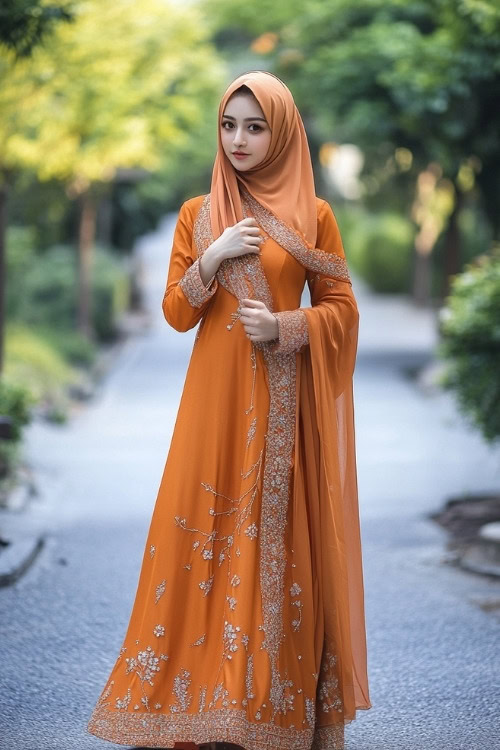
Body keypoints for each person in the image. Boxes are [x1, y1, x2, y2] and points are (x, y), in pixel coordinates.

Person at [87, 70, 372, 750]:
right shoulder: (199, 213)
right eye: (229, 125)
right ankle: (200, 704)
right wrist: (210, 257)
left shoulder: (315, 217)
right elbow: (177, 314)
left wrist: (286, 328)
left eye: (255, 126)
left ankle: (260, 708)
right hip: (210, 415)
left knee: (272, 551)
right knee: (199, 547)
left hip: (282, 419)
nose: (239, 139)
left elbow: (344, 311)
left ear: (282, 132)